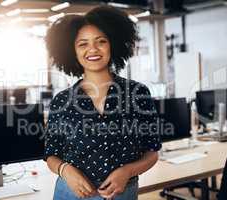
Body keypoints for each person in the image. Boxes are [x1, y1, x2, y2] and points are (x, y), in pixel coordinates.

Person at [44, 6, 162, 200]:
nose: (93, 49)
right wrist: (65, 170)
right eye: (83, 44)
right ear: (72, 51)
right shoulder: (62, 100)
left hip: (122, 192)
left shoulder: (137, 93)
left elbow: (152, 152)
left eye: (101, 41)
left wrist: (128, 171)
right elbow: (51, 154)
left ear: (113, 45)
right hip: (71, 192)